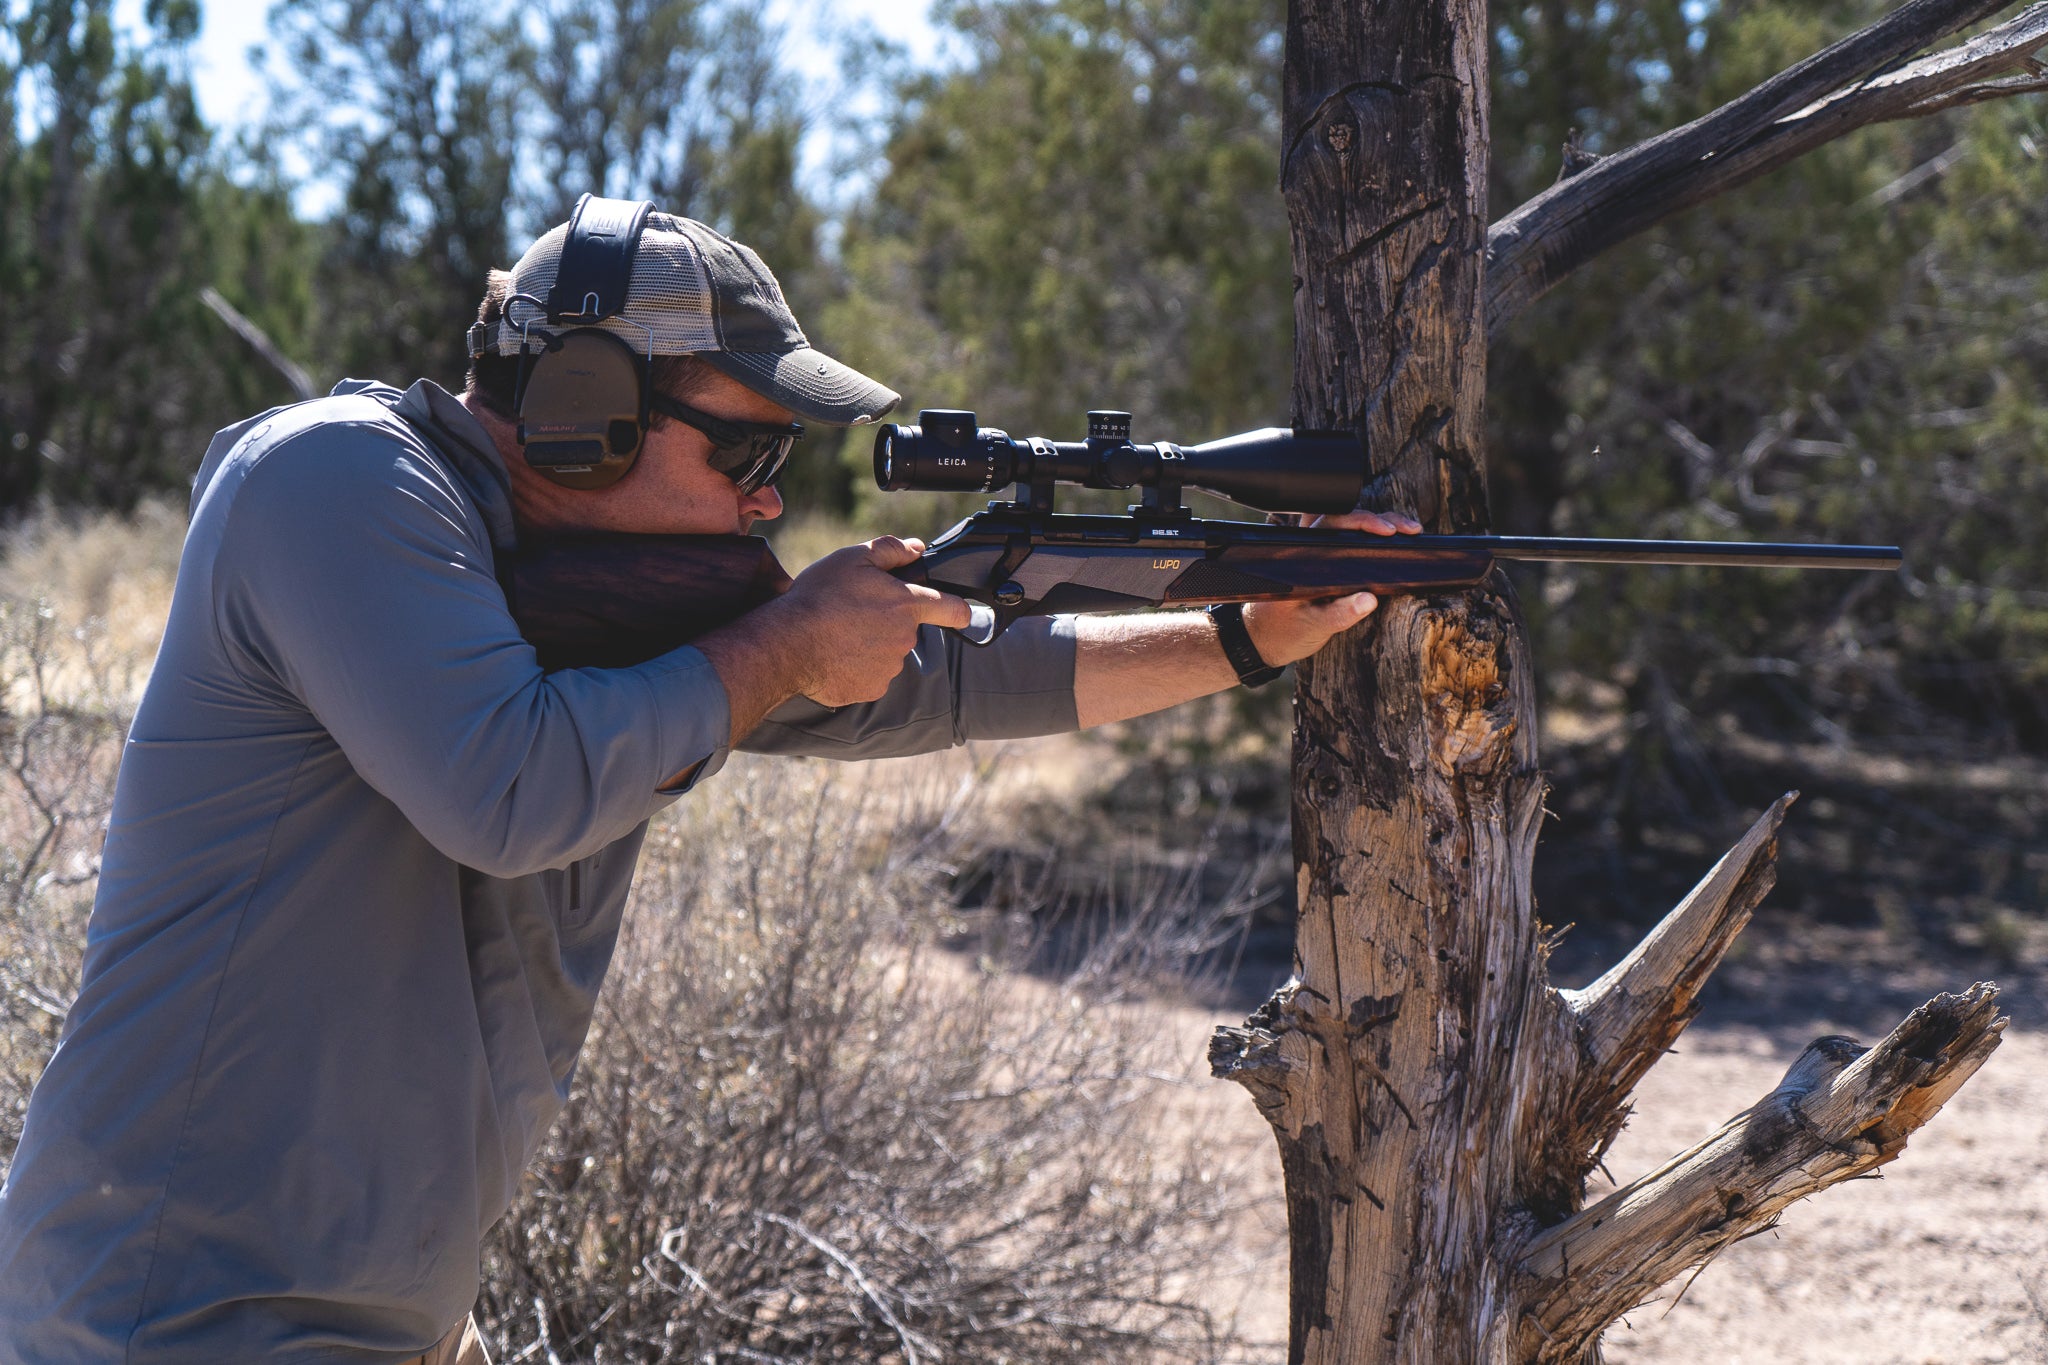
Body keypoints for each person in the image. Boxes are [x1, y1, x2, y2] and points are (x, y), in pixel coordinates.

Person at [0, 201, 1417, 1364]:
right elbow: (510, 786)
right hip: (169, 1318)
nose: (766, 501)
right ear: (579, 411)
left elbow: (945, 681)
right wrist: (784, 639)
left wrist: (1243, 635)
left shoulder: (595, 598)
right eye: (744, 451)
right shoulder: (327, 485)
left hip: (377, 1319)